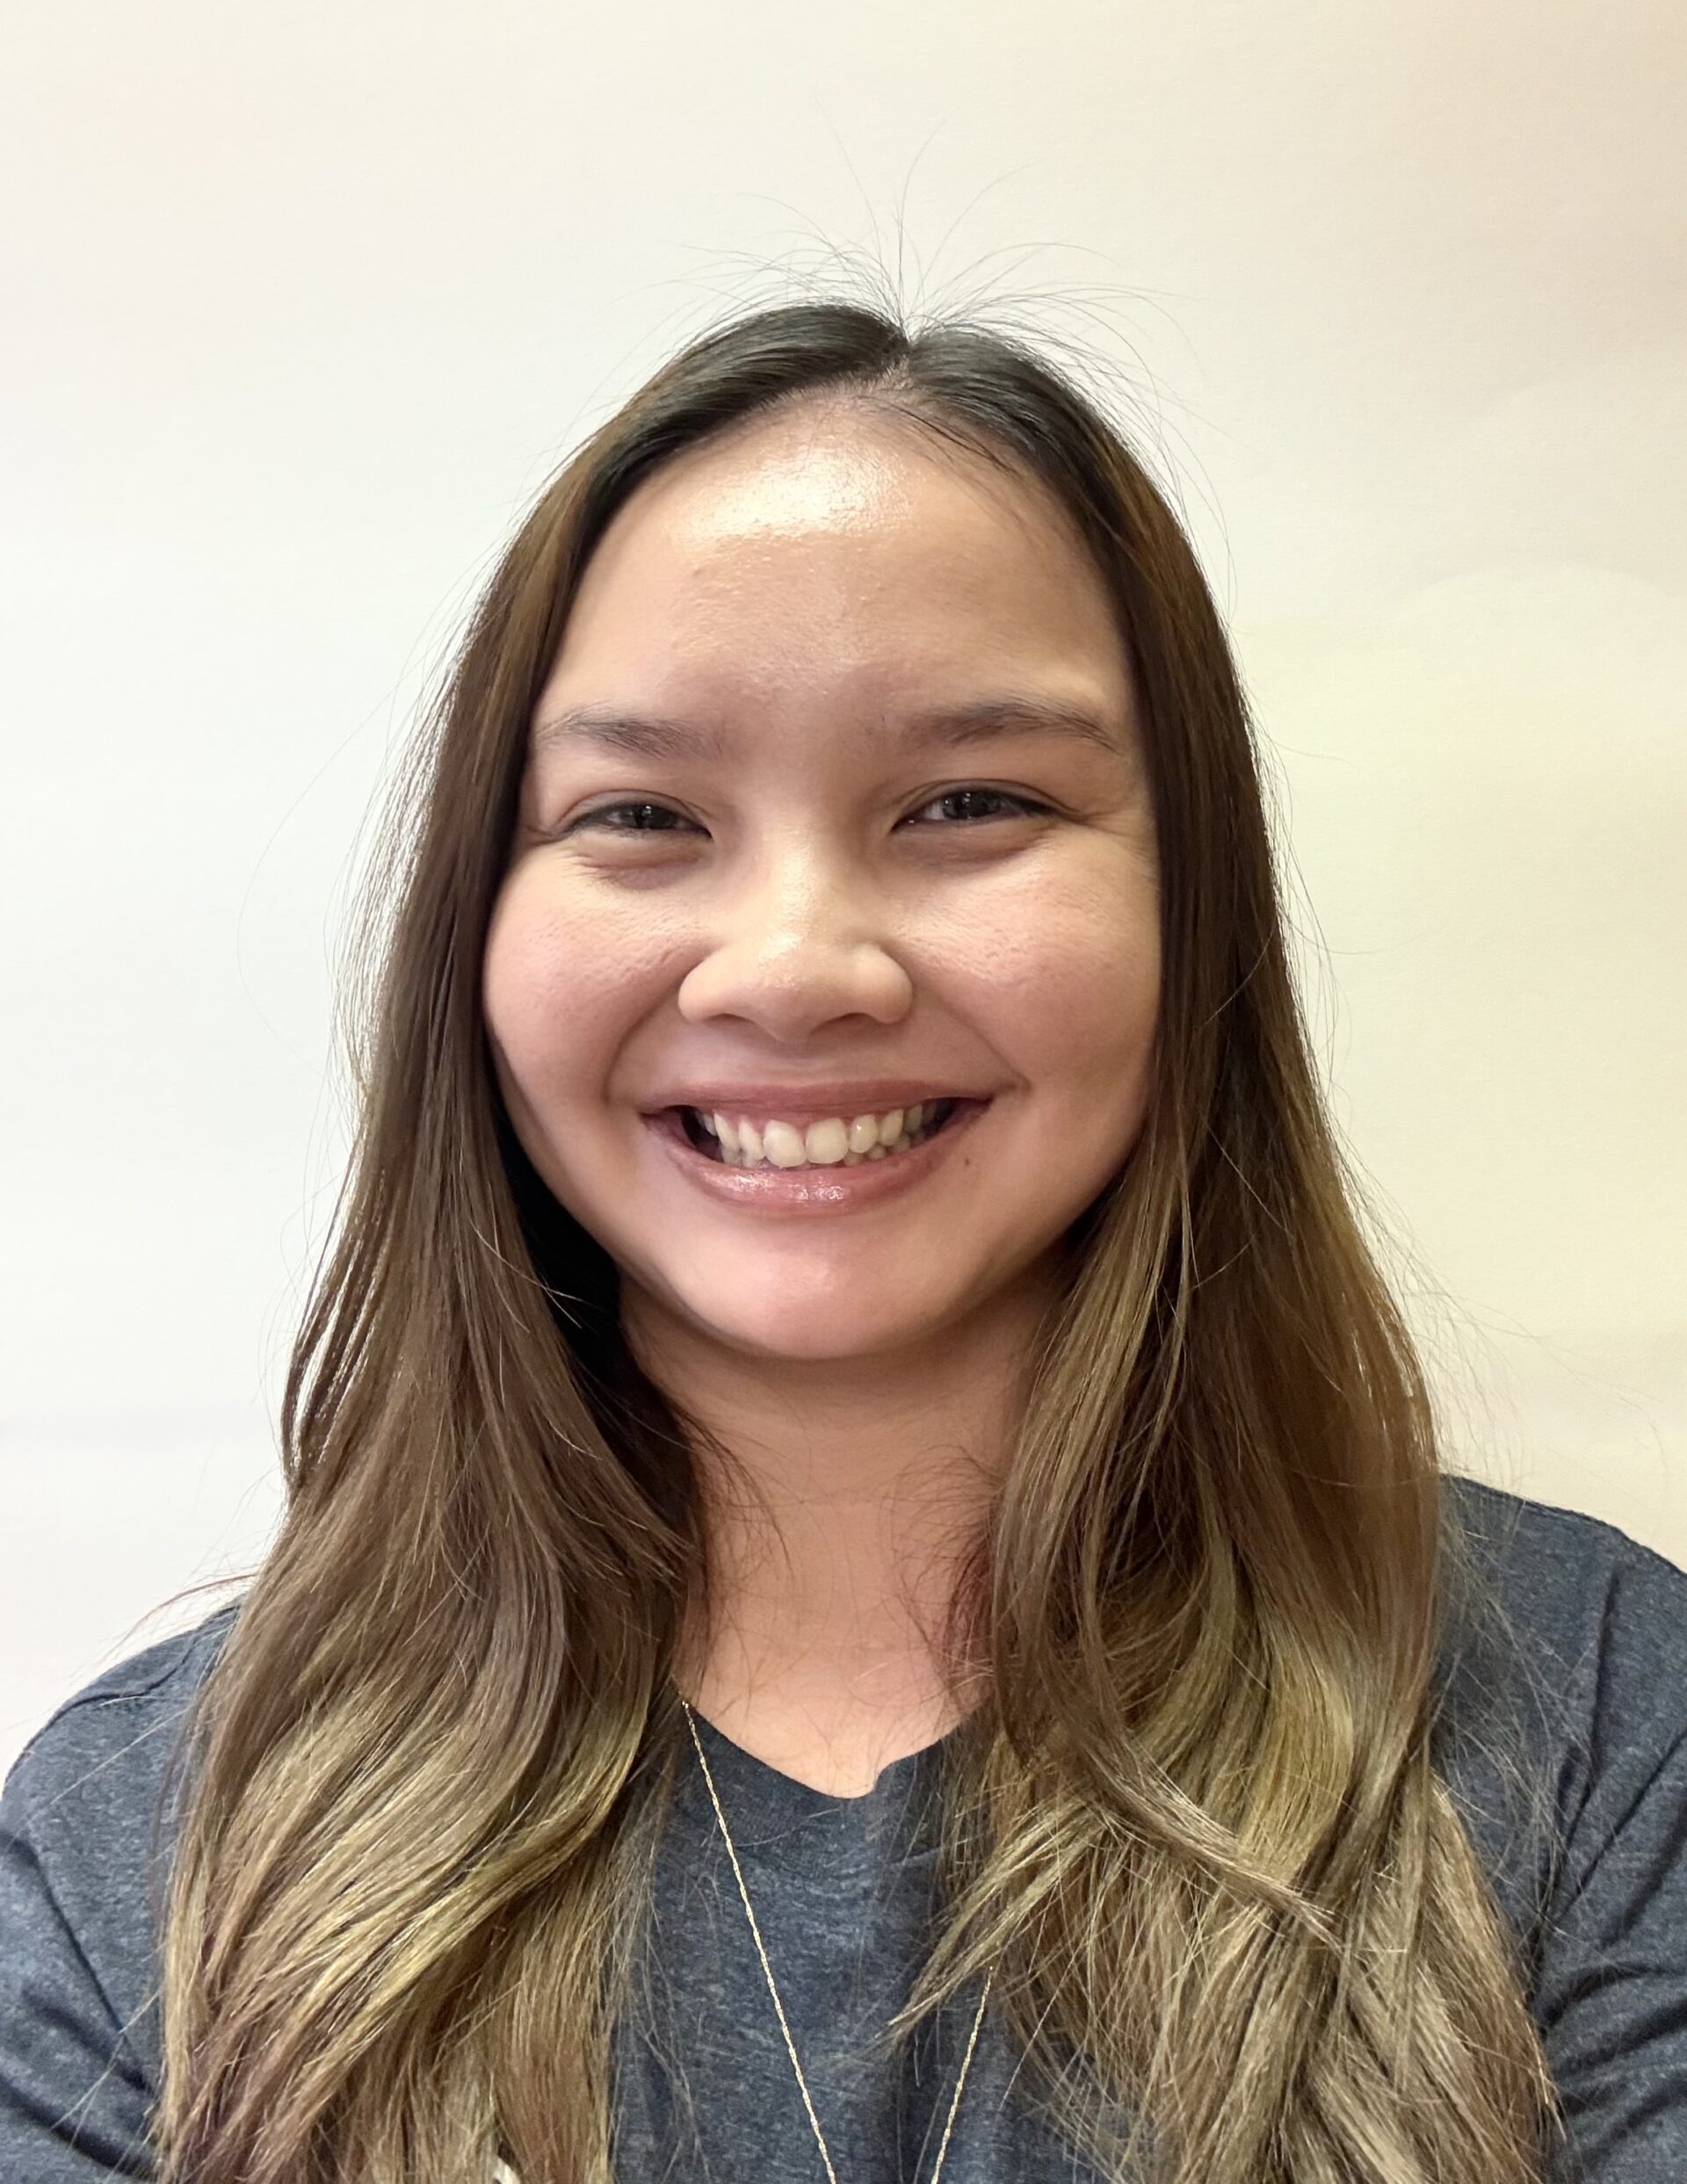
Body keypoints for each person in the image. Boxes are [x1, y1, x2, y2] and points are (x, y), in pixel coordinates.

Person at [3, 297, 1685, 2184]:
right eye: (641, 814)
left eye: (972, 801)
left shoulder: (1604, 1726)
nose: (797, 966)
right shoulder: (139, 1833)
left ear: (1193, 909)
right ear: (478, 926)